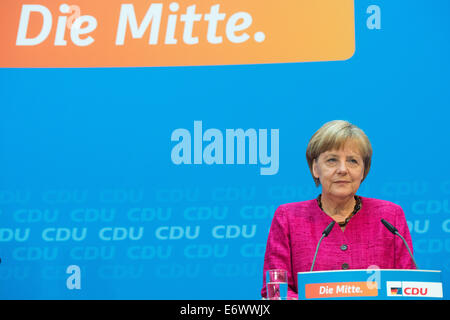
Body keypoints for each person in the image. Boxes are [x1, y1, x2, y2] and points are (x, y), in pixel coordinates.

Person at [261, 120, 415, 299]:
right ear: (315, 168)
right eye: (332, 160)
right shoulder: (288, 217)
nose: (343, 170)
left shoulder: (389, 216)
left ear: (363, 171)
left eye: (352, 161)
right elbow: (275, 291)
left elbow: (409, 286)